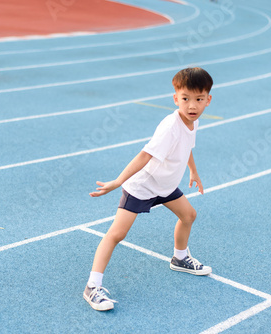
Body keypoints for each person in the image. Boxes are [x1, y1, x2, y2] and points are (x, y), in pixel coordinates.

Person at [83, 67, 213, 311]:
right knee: (116, 234)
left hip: (165, 186)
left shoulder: (193, 123)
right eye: (185, 99)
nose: (192, 105)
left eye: (198, 99)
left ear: (208, 100)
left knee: (189, 215)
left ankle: (180, 258)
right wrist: (117, 181)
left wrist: (193, 171)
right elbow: (144, 155)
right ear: (176, 98)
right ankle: (92, 286)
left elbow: (188, 148)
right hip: (143, 187)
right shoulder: (170, 127)